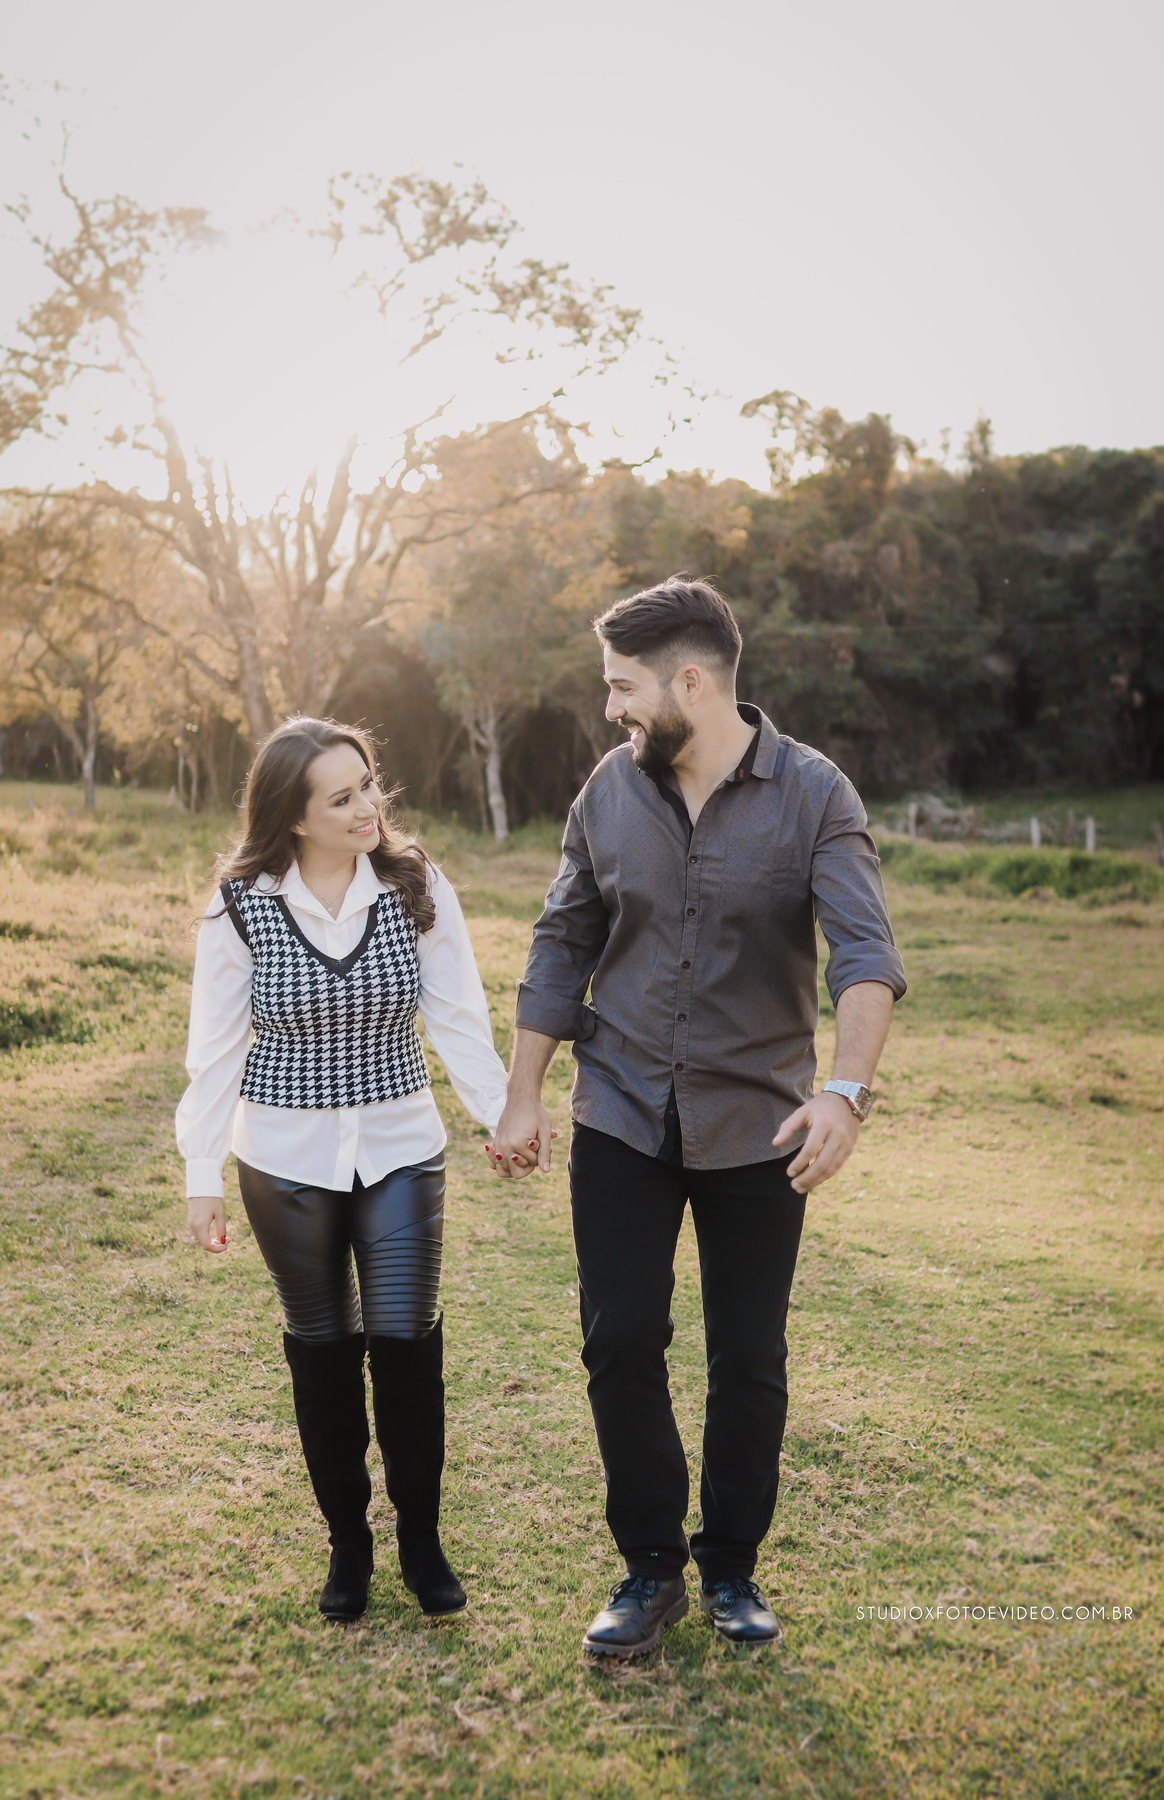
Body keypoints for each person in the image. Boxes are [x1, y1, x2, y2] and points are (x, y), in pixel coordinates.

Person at [489, 577, 906, 1657]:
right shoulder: (607, 790)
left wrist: (846, 1093)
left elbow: (865, 956)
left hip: (760, 1122)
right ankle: (648, 1569)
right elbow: (562, 939)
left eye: (623, 687)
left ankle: (730, 1568)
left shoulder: (814, 795)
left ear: (689, 682)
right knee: (620, 1338)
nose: (611, 709)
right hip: (621, 1110)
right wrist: (524, 1090)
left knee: (748, 1355)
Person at [177, 717, 507, 1622]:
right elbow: (216, 1049)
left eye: (369, 785)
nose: (369, 807)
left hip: (401, 1149)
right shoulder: (239, 905)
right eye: (342, 797)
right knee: (322, 1356)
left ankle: (422, 1542)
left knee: (407, 1346)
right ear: (293, 816)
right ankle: (348, 1545)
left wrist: (502, 1115)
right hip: (283, 1161)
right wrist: (202, 1171)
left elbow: (458, 1016)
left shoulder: (414, 884)